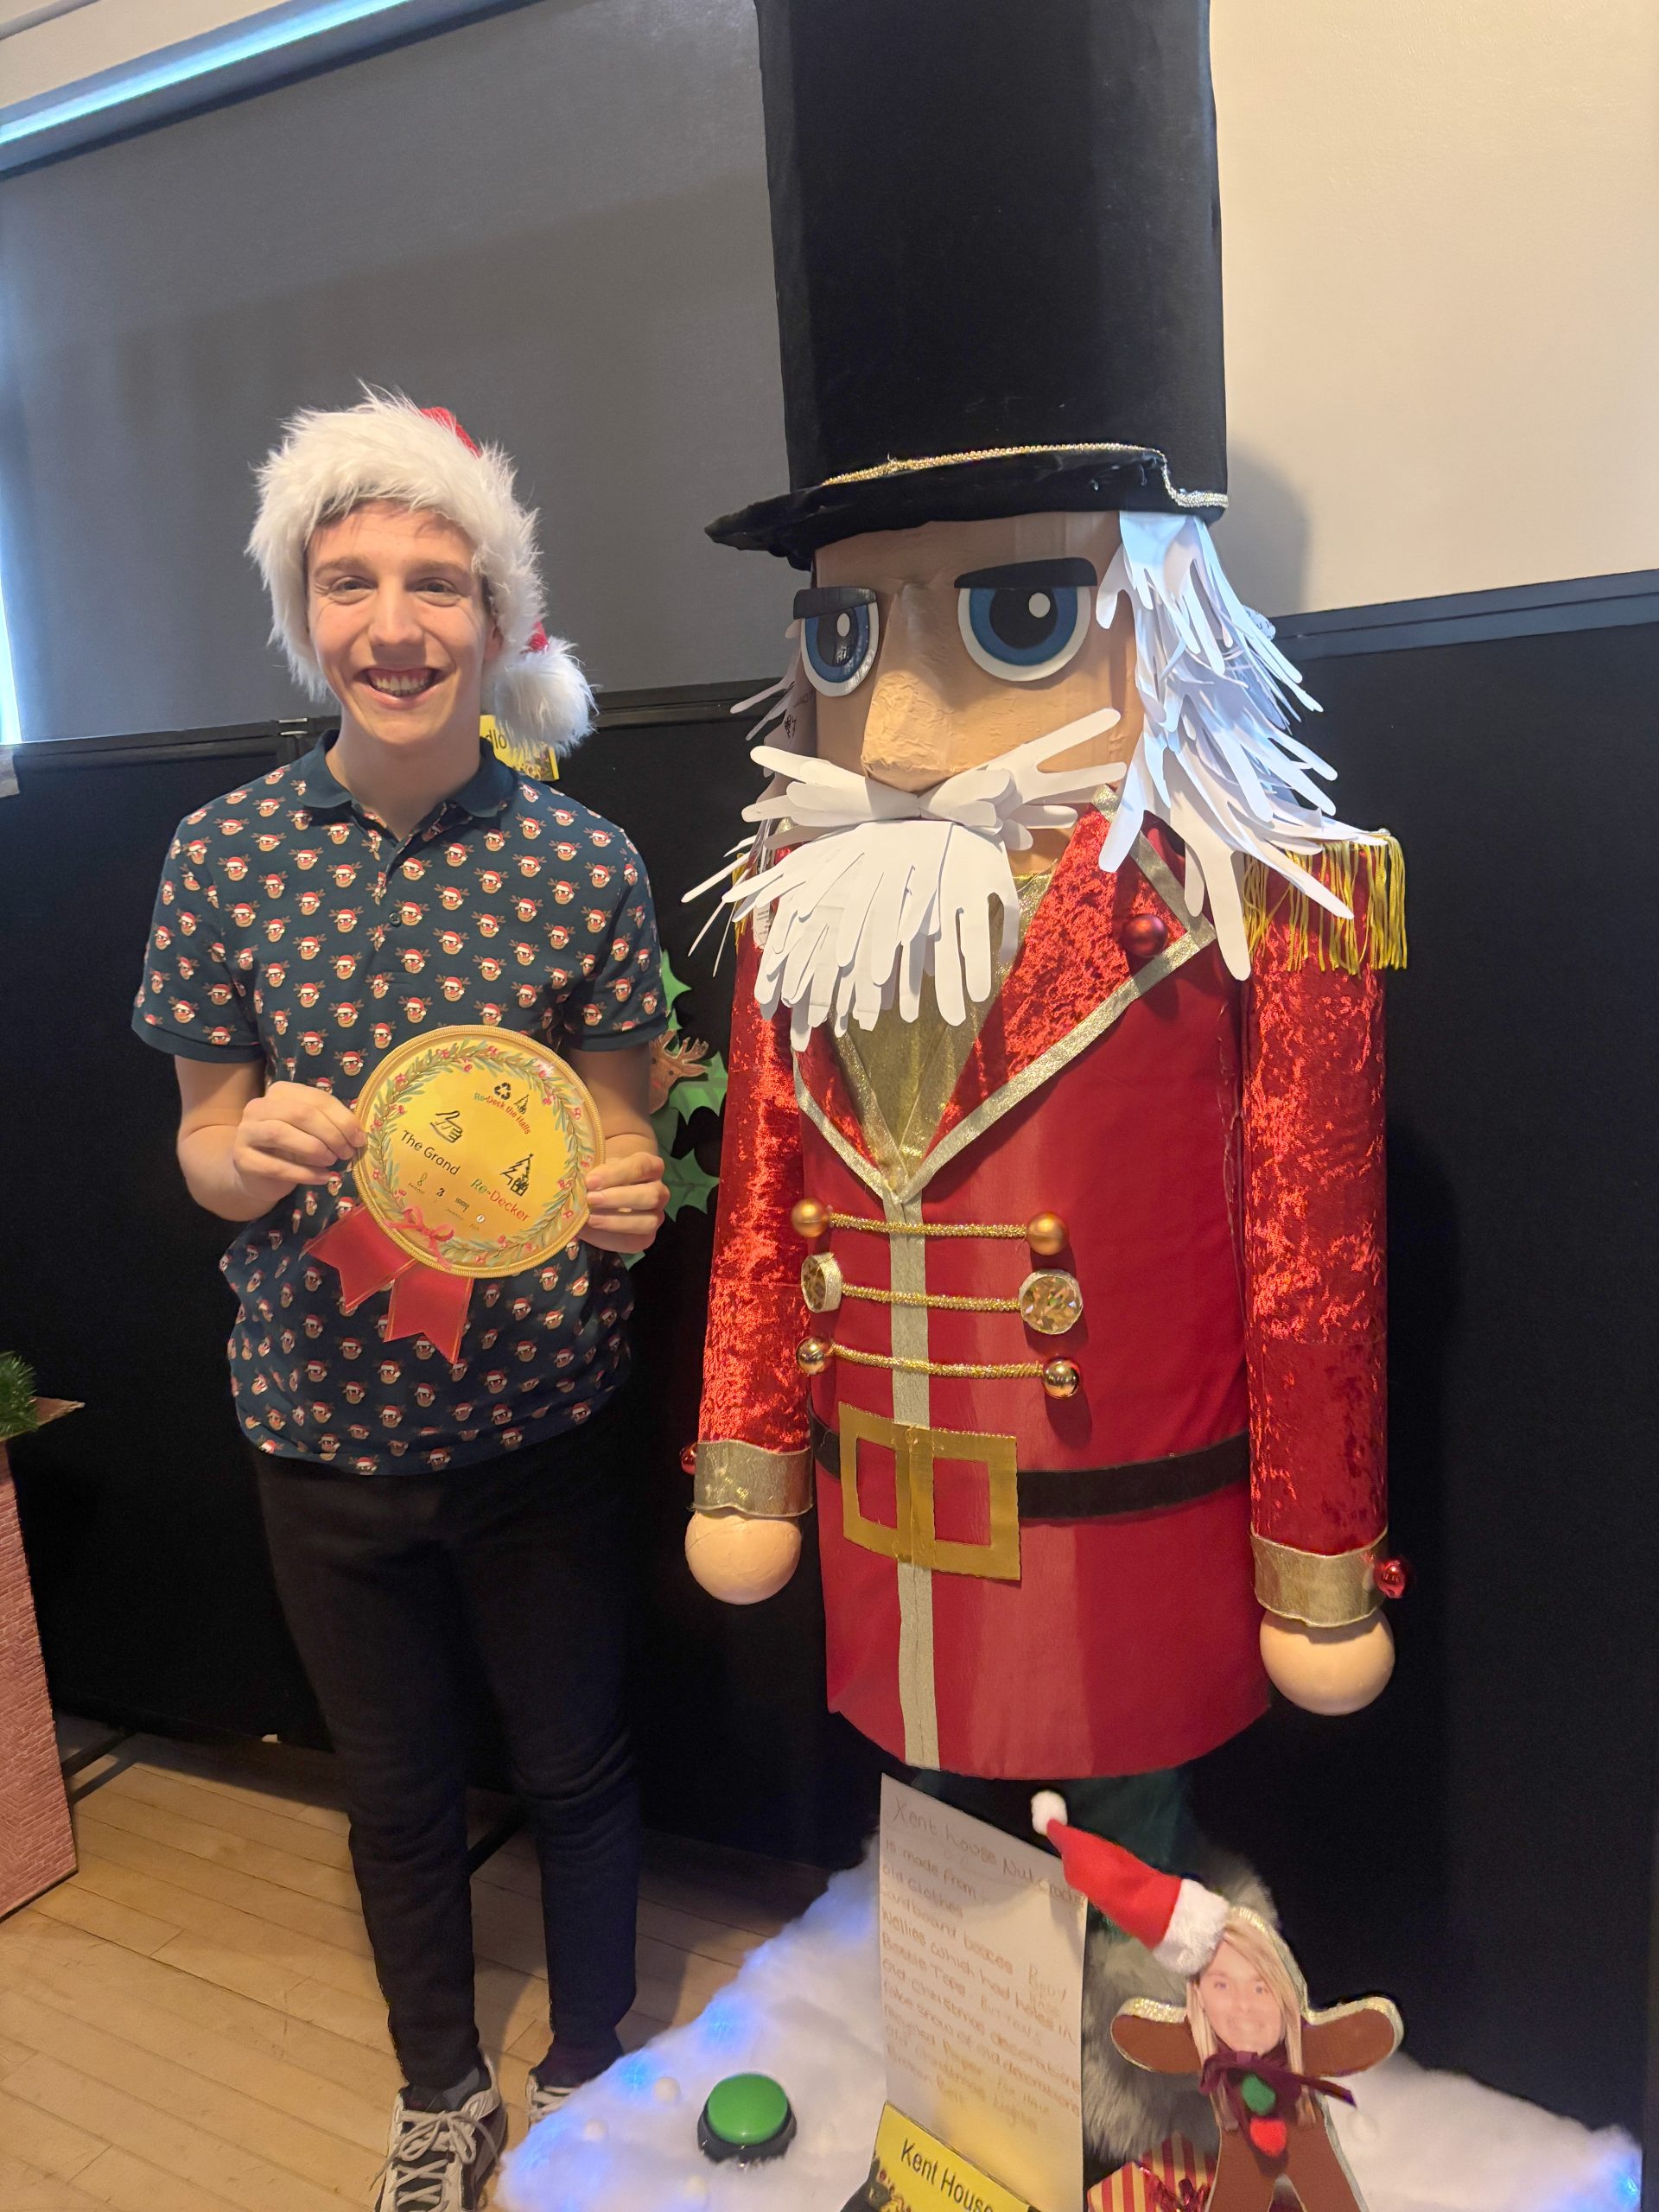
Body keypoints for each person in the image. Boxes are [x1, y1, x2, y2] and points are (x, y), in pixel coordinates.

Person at [134, 391, 671, 2211]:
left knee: (578, 1761)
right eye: (348, 580)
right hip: (319, 1428)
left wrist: (624, 1195)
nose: (394, 622)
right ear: (304, 612)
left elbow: (619, 1141)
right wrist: (246, 1145)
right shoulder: (223, 856)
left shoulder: (585, 864)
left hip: (538, 1421)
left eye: (438, 581)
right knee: (395, 1788)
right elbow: (199, 1148)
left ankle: (593, 2060)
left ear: (497, 616)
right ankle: (439, 2088)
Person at [1036, 1796, 1402, 2212]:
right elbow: (1144, 2039)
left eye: (1258, 1988)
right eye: (1221, 1986)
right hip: (1238, 2134)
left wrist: (1362, 2032)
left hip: (1297, 2121)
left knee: (1324, 2185)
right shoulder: (1202, 2040)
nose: (1242, 2005)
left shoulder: (1292, 2040)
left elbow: (1362, 2034)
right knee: (1240, 2189)